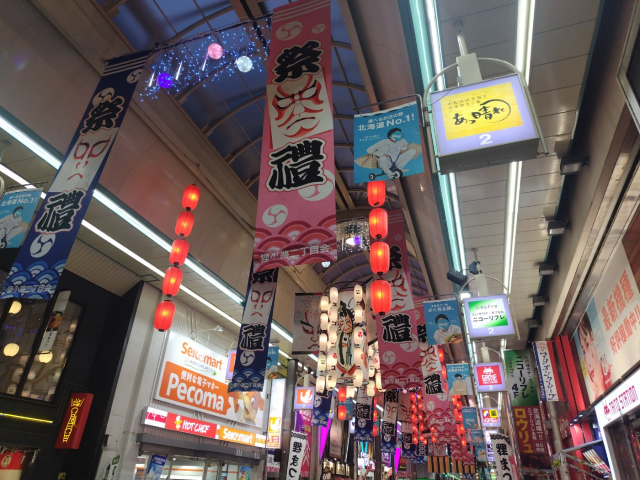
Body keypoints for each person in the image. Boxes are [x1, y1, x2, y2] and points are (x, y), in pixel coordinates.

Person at [577, 314, 612, 398]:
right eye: (584, 352)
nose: (588, 363)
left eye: (588, 345)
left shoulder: (612, 373)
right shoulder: (595, 395)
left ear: (593, 339)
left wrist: (600, 387)